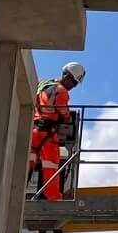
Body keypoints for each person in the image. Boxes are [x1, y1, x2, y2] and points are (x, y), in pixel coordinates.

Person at [29, 62, 85, 201]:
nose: (73, 86)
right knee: (51, 165)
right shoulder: (62, 92)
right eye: (73, 82)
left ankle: (17, 186)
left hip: (34, 129)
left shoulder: (44, 84)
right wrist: (65, 119)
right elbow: (64, 113)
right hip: (48, 133)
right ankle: (52, 197)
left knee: (29, 161)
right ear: (66, 76)